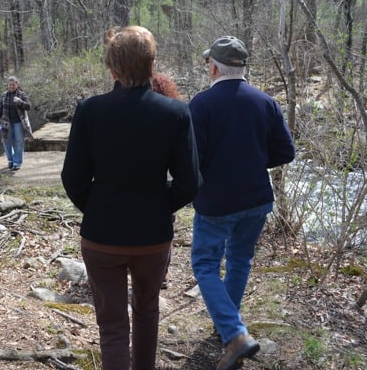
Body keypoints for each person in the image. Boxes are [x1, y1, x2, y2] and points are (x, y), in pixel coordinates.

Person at [61, 25, 202, 370]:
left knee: (111, 325)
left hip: (101, 235)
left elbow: (73, 178)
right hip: (152, 237)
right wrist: (158, 205)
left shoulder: (90, 110)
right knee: (146, 311)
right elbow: (190, 182)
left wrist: (96, 207)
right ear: (151, 65)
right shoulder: (175, 113)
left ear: (111, 67)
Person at [189, 36, 296, 370]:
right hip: (256, 199)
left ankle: (234, 332)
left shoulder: (202, 104)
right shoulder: (266, 102)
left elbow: (194, 159)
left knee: (205, 264)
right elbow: (286, 152)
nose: (208, 67)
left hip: (217, 201)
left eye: (209, 63)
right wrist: (251, 159)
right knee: (239, 260)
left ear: (216, 67)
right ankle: (230, 330)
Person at [150, 72, 182, 289]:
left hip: (156, 181)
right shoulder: (174, 113)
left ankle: (160, 273)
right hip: (166, 185)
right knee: (165, 227)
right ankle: (162, 272)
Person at [0, 76, 32, 171]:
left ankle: (17, 162)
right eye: (9, 85)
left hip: (18, 122)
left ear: (17, 85)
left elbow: (28, 106)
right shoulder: (4, 95)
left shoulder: (22, 95)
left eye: (13, 85)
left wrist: (20, 102)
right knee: (6, 142)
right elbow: (0, 109)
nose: (11, 86)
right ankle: (10, 160)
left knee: (19, 142)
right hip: (6, 123)